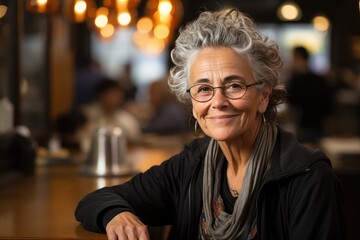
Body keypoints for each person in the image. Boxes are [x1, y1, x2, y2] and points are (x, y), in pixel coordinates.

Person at [75, 9, 345, 240]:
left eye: (234, 85)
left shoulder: (308, 178)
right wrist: (117, 215)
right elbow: (94, 200)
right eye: (203, 89)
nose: (218, 101)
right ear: (192, 102)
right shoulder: (191, 164)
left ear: (263, 97)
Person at [80, 78, 141, 153]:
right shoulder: (89, 118)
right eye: (110, 95)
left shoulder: (127, 119)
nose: (114, 99)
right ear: (100, 96)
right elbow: (84, 144)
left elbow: (136, 142)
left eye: (117, 95)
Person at [286, 46, 333, 143]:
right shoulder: (319, 79)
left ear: (298, 57)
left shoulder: (296, 80)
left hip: (303, 126)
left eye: (293, 58)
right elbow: (328, 106)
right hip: (319, 125)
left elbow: (291, 101)